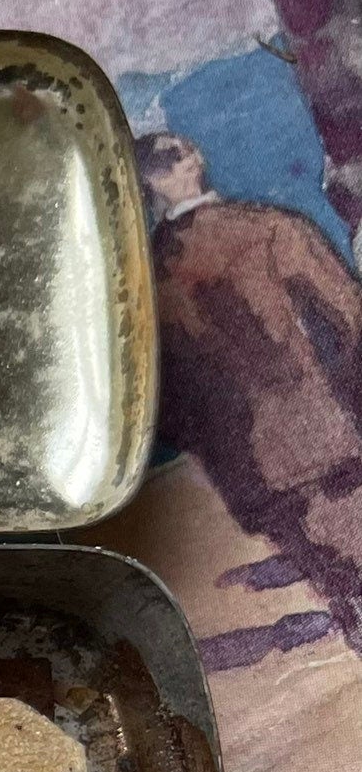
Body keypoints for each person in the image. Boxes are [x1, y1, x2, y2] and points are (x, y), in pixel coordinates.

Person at [136, 130, 362, 638]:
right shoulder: (265, 228)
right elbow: (347, 314)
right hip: (320, 431)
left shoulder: (147, 277)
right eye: (176, 153)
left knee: (332, 576)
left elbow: (157, 397)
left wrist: (213, 441)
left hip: (249, 463)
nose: (189, 155)